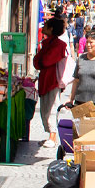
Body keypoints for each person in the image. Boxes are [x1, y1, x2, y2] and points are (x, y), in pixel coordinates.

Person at [34, 18, 68, 148]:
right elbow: (38, 62)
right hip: (45, 79)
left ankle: (53, 137)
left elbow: (45, 61)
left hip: (52, 80)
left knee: (52, 108)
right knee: (45, 108)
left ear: (51, 28)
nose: (43, 27)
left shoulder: (58, 45)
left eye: (46, 25)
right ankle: (50, 135)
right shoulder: (47, 42)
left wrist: (40, 62)